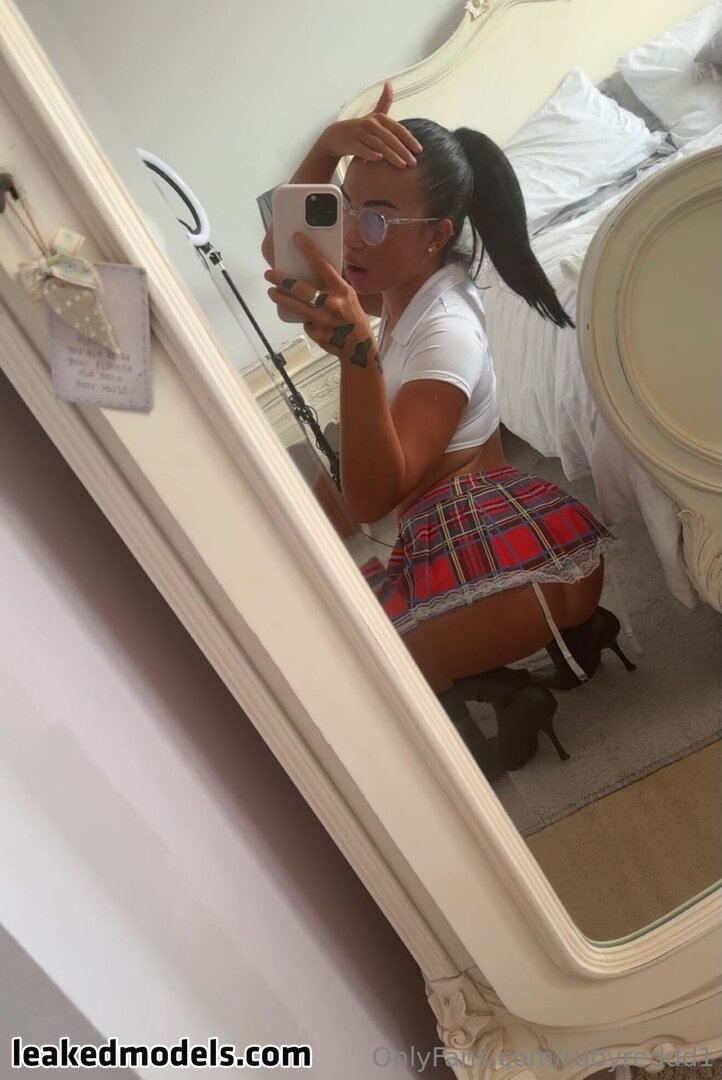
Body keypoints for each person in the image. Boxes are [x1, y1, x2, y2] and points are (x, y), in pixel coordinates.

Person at [261, 82, 635, 777]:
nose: (350, 237)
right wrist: (326, 146)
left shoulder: (445, 333)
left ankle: (508, 692)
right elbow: (289, 268)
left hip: (508, 569)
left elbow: (372, 498)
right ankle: (577, 634)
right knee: (318, 556)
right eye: (345, 209)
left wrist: (357, 354)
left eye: (377, 220)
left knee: (356, 664)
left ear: (436, 235)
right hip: (489, 542)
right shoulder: (401, 287)